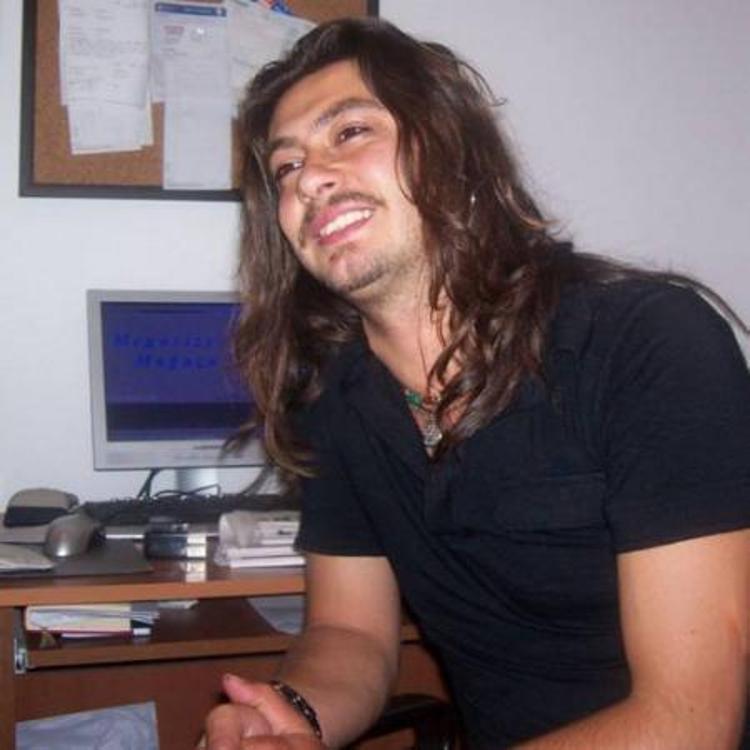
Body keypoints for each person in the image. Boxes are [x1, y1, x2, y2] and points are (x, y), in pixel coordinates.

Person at [203, 17, 750, 750]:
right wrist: (291, 719)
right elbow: (348, 633)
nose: (310, 178)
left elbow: (691, 721)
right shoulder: (335, 401)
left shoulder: (647, 343)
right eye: (286, 166)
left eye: (351, 132)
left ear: (453, 153)